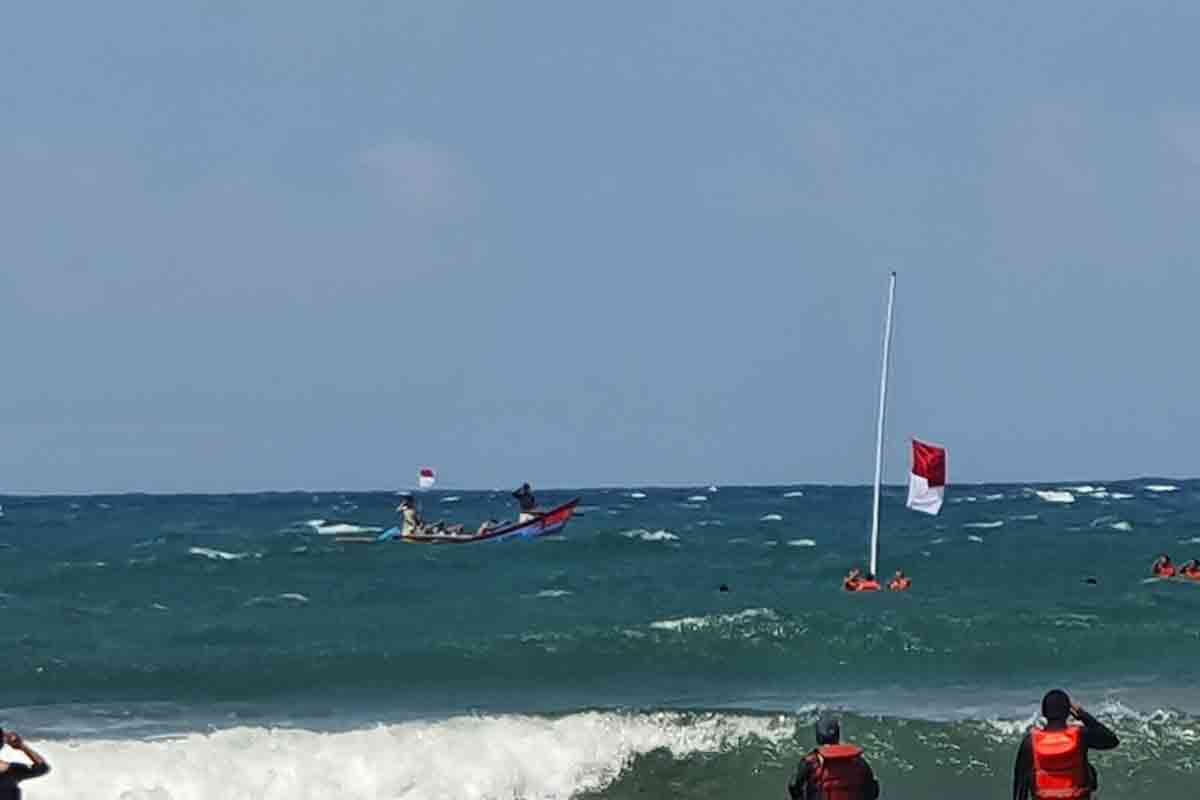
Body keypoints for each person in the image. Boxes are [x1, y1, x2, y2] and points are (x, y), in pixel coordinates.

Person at [1012, 690, 1118, 800]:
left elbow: (1020, 788)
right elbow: (1112, 740)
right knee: (1089, 770)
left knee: (1029, 774)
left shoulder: (1030, 742)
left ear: (1044, 712)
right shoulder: (1080, 736)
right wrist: (1082, 714)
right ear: (1068, 712)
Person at [788, 714, 880, 800]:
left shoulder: (811, 761)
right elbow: (874, 790)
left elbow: (793, 785)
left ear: (818, 737)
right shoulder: (858, 761)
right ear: (837, 736)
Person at [0, 729, 50, 800]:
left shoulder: (12, 770)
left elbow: (43, 768)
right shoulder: (13, 770)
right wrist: (22, 746)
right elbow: (42, 767)